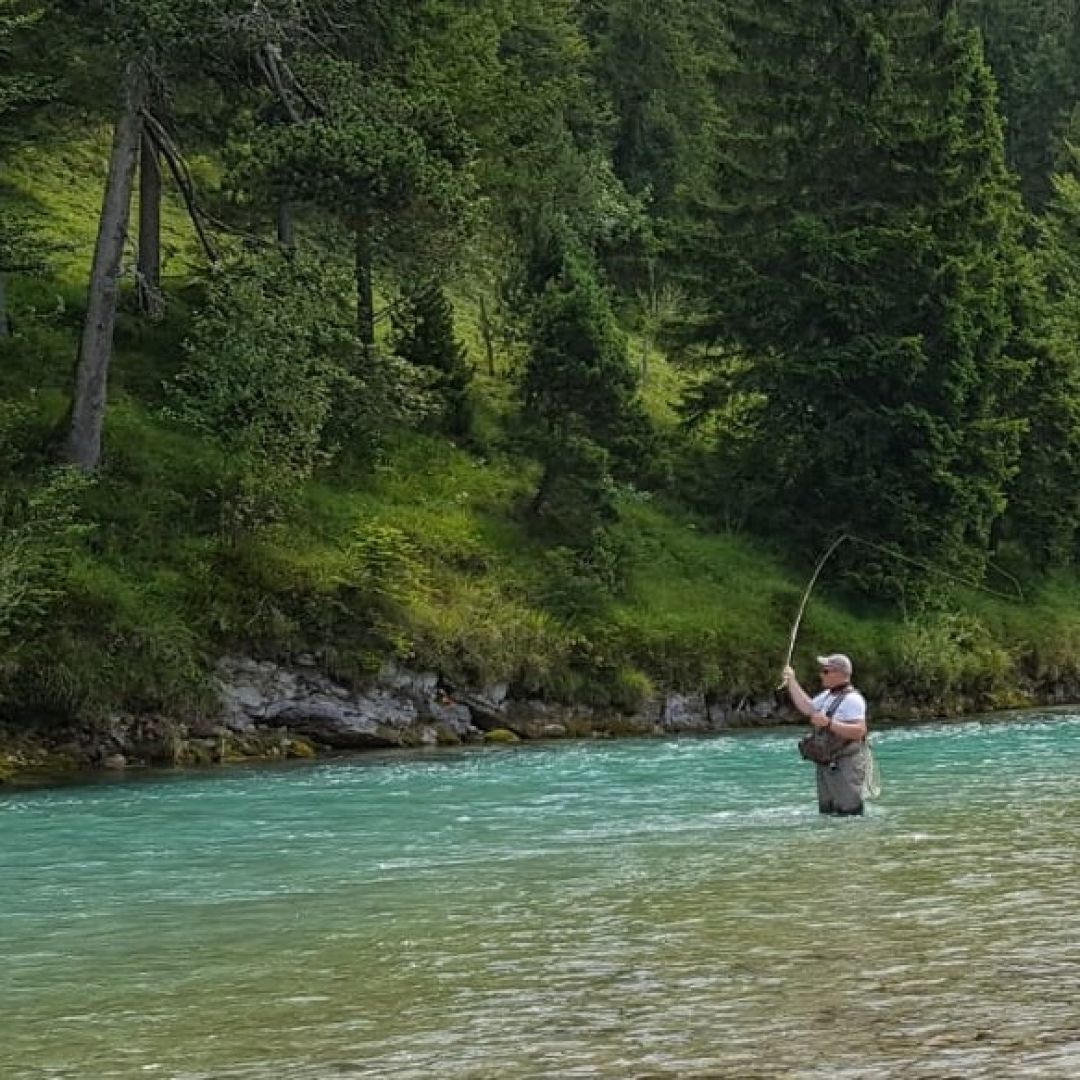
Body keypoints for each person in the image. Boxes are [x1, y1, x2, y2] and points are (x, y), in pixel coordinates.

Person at [782, 653, 869, 816]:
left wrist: (829, 723)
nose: (821, 674)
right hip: (827, 764)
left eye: (826, 671)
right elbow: (807, 707)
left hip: (846, 765)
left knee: (849, 813)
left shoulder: (853, 699)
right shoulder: (828, 695)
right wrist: (791, 680)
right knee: (827, 814)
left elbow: (859, 731)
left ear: (839, 674)